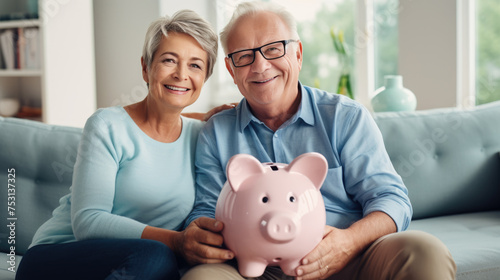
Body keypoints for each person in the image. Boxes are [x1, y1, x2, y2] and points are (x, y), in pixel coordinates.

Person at [180, 2, 457, 280]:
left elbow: (391, 199)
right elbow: (208, 208)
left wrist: (348, 242)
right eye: (244, 56)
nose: (260, 66)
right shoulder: (216, 132)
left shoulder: (345, 117)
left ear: (298, 54)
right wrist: (196, 233)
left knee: (423, 250)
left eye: (274, 49)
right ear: (231, 69)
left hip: (346, 258)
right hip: (252, 269)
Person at [16, 10, 230, 280]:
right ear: (145, 67)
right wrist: (177, 242)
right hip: (57, 256)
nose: (181, 74)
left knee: (164, 266)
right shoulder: (108, 125)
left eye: (195, 65)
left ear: (205, 78)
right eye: (169, 60)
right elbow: (88, 220)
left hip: (140, 263)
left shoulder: (202, 137)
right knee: (158, 256)